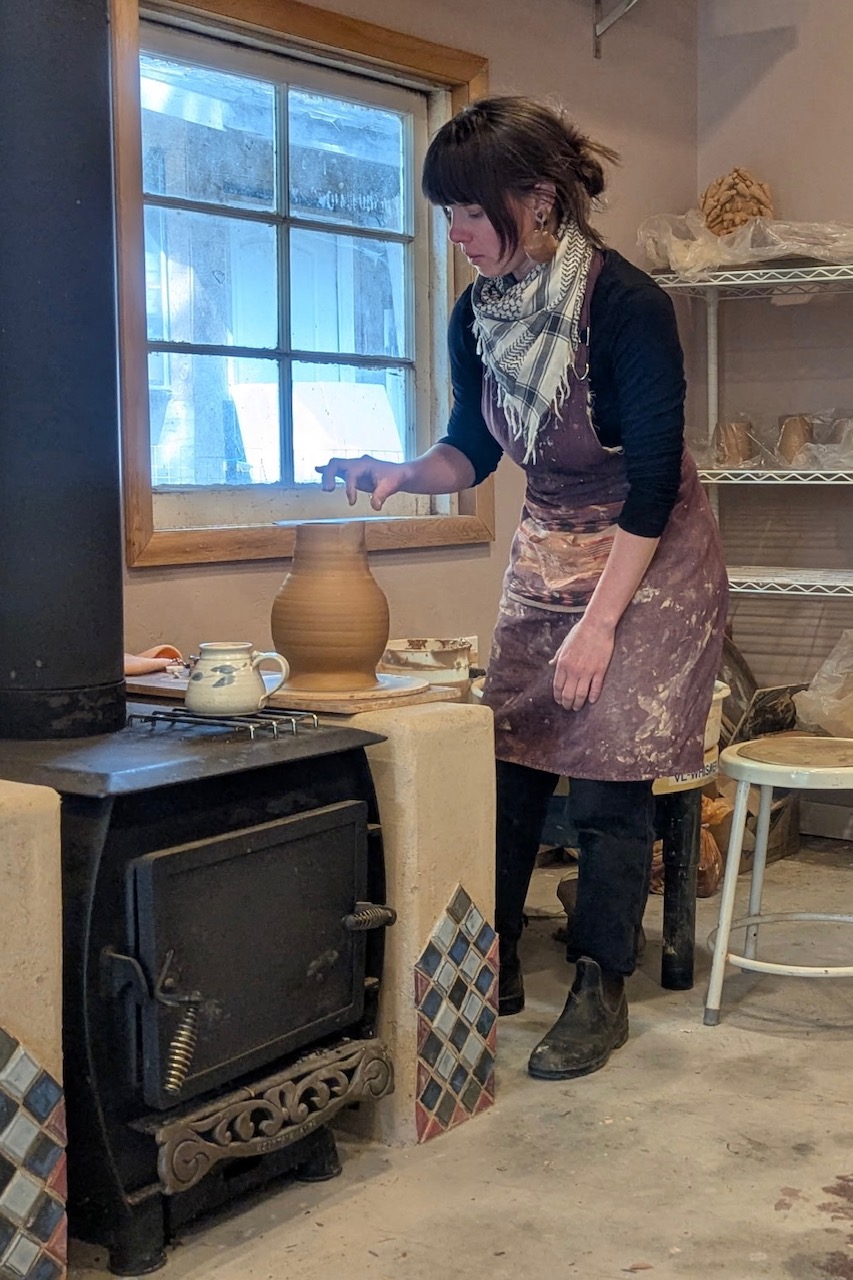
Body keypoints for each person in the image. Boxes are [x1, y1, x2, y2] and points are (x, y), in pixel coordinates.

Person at [316, 96, 728, 1082]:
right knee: (509, 757)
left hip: (649, 551)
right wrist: (402, 472)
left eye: (467, 213)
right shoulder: (479, 313)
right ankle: (485, 960)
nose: (454, 236)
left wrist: (598, 627)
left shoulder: (625, 304)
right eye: (445, 216)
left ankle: (598, 980)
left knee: (605, 771)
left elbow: (652, 476)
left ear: (536, 200)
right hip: (550, 543)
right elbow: (471, 448)